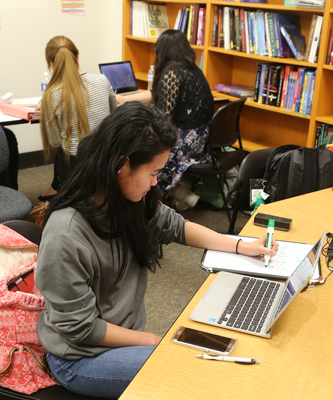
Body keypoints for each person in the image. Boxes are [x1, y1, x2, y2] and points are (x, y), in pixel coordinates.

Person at [35, 102, 277, 398]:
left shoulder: (128, 199)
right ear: (121, 164)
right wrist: (152, 340)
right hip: (81, 356)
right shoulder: (66, 234)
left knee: (213, 351)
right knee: (187, 371)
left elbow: (176, 226)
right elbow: (83, 329)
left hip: (121, 335)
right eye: (152, 173)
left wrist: (241, 246)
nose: (155, 182)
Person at [120, 29, 214, 210]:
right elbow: (161, 99)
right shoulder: (193, 69)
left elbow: (162, 121)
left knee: (141, 152)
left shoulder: (171, 74)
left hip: (186, 143)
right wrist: (126, 100)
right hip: (203, 140)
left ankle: (172, 196)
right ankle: (181, 193)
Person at [39, 36, 117, 201]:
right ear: (77, 56)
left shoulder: (51, 95)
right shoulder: (102, 80)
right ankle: (56, 188)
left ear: (50, 63)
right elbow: (114, 116)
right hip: (105, 158)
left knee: (63, 151)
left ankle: (56, 191)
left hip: (75, 163)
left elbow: (53, 142)